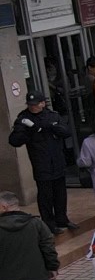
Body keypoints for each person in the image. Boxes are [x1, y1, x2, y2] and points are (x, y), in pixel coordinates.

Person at [9, 94, 73, 231]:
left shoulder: (52, 116)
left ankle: (62, 219)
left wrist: (52, 127)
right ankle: (49, 224)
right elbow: (14, 141)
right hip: (41, 162)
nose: (33, 107)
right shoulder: (24, 119)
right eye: (30, 104)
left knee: (60, 193)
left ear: (43, 103)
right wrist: (29, 131)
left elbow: (66, 132)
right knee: (46, 195)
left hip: (57, 160)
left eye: (36, 104)